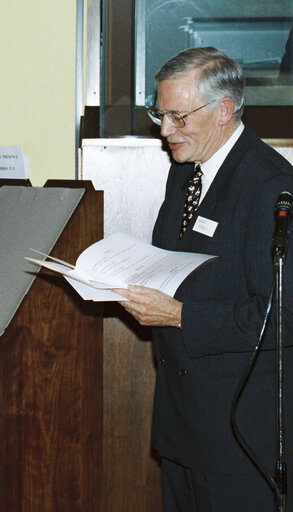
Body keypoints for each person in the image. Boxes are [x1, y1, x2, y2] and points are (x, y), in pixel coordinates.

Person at [115, 47, 293, 511]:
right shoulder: (187, 173)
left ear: (224, 111)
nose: (165, 130)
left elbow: (285, 316)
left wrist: (179, 316)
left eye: (177, 116)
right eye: (160, 113)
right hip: (183, 425)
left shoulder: (271, 185)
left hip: (239, 436)